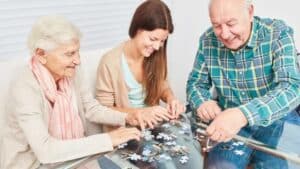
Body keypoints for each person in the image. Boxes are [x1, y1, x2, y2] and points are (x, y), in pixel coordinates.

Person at [0, 15, 142, 169]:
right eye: (69, 54)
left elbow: (90, 108)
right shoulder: (24, 88)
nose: (78, 60)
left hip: (76, 158)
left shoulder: (71, 71)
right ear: (41, 54)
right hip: (36, 164)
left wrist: (127, 117)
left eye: (77, 52)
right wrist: (107, 140)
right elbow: (45, 151)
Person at [186, 0, 300, 168]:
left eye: (231, 23)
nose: (224, 34)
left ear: (250, 12)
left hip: (276, 122)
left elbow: (292, 87)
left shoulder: (277, 33)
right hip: (228, 127)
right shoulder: (207, 40)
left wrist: (242, 114)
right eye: (216, 25)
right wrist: (202, 101)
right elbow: (195, 84)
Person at [95, 0, 185, 130]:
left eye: (162, 41)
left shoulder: (155, 55)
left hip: (154, 128)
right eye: (153, 39)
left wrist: (171, 98)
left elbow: (162, 86)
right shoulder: (110, 62)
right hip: (125, 133)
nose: (157, 46)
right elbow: (103, 110)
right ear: (137, 29)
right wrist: (139, 113)